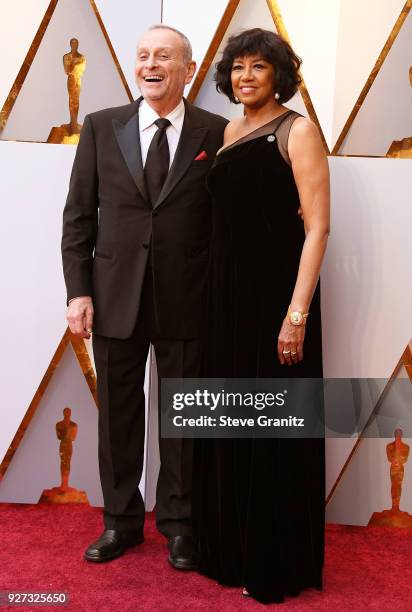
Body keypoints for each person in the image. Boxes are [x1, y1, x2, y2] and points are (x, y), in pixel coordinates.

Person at [61, 25, 227, 567]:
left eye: (164, 56)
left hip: (189, 298)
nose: (150, 64)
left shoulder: (215, 132)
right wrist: (78, 292)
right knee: (119, 418)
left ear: (187, 67)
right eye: (143, 56)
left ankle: (180, 526)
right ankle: (121, 522)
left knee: (184, 416)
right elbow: (79, 217)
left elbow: (229, 220)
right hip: (114, 297)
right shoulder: (101, 126)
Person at [192, 28, 330, 604]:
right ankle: (229, 551)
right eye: (239, 67)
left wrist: (295, 315)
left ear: (279, 75)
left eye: (260, 67)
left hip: (276, 300)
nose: (247, 77)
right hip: (224, 302)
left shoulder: (298, 131)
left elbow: (317, 226)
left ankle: (273, 562)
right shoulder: (228, 131)